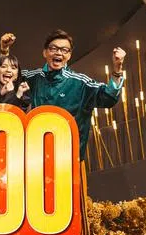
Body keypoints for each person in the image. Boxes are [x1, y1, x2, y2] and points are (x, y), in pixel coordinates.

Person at [19, 29, 125, 160]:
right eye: (54, 48)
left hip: (68, 159)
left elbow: (108, 98)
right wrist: (4, 51)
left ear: (69, 55)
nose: (59, 53)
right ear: (45, 52)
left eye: (64, 50)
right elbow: (5, 77)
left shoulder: (80, 83)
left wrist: (117, 69)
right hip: (34, 158)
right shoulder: (31, 78)